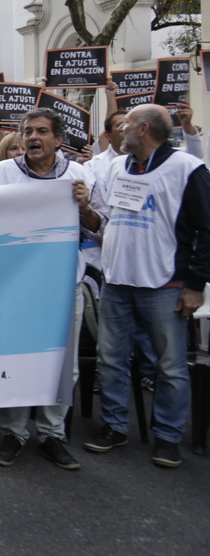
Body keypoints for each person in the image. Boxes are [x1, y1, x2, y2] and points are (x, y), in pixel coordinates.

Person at [79, 104, 210, 468]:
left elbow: (206, 229)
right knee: (110, 359)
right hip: (117, 281)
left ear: (144, 129)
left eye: (127, 125)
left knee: (169, 365)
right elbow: (106, 221)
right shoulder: (117, 167)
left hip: (164, 283)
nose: (120, 131)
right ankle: (114, 425)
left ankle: (167, 436)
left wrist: (195, 284)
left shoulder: (187, 168)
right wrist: (87, 212)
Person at [0, 109, 93, 471]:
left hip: (62, 285)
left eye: (42, 131)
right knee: (14, 359)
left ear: (58, 139)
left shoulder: (80, 175)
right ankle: (13, 433)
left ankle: (52, 434)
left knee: (63, 365)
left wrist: (85, 207)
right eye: (28, 131)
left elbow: (98, 227)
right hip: (14, 287)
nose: (32, 137)